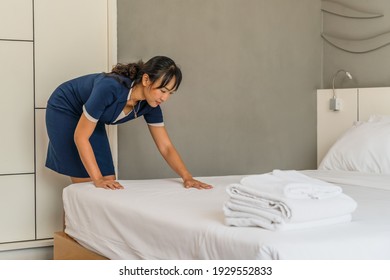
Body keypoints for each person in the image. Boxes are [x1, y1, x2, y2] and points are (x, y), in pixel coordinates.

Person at [45, 55, 212, 190]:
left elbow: (165, 146)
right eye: (162, 90)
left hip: (89, 118)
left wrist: (187, 177)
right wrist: (97, 179)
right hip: (65, 108)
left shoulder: (151, 105)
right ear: (146, 80)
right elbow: (81, 137)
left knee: (109, 182)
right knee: (88, 187)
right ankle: (70, 231)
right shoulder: (109, 87)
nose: (165, 98)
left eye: (170, 93)